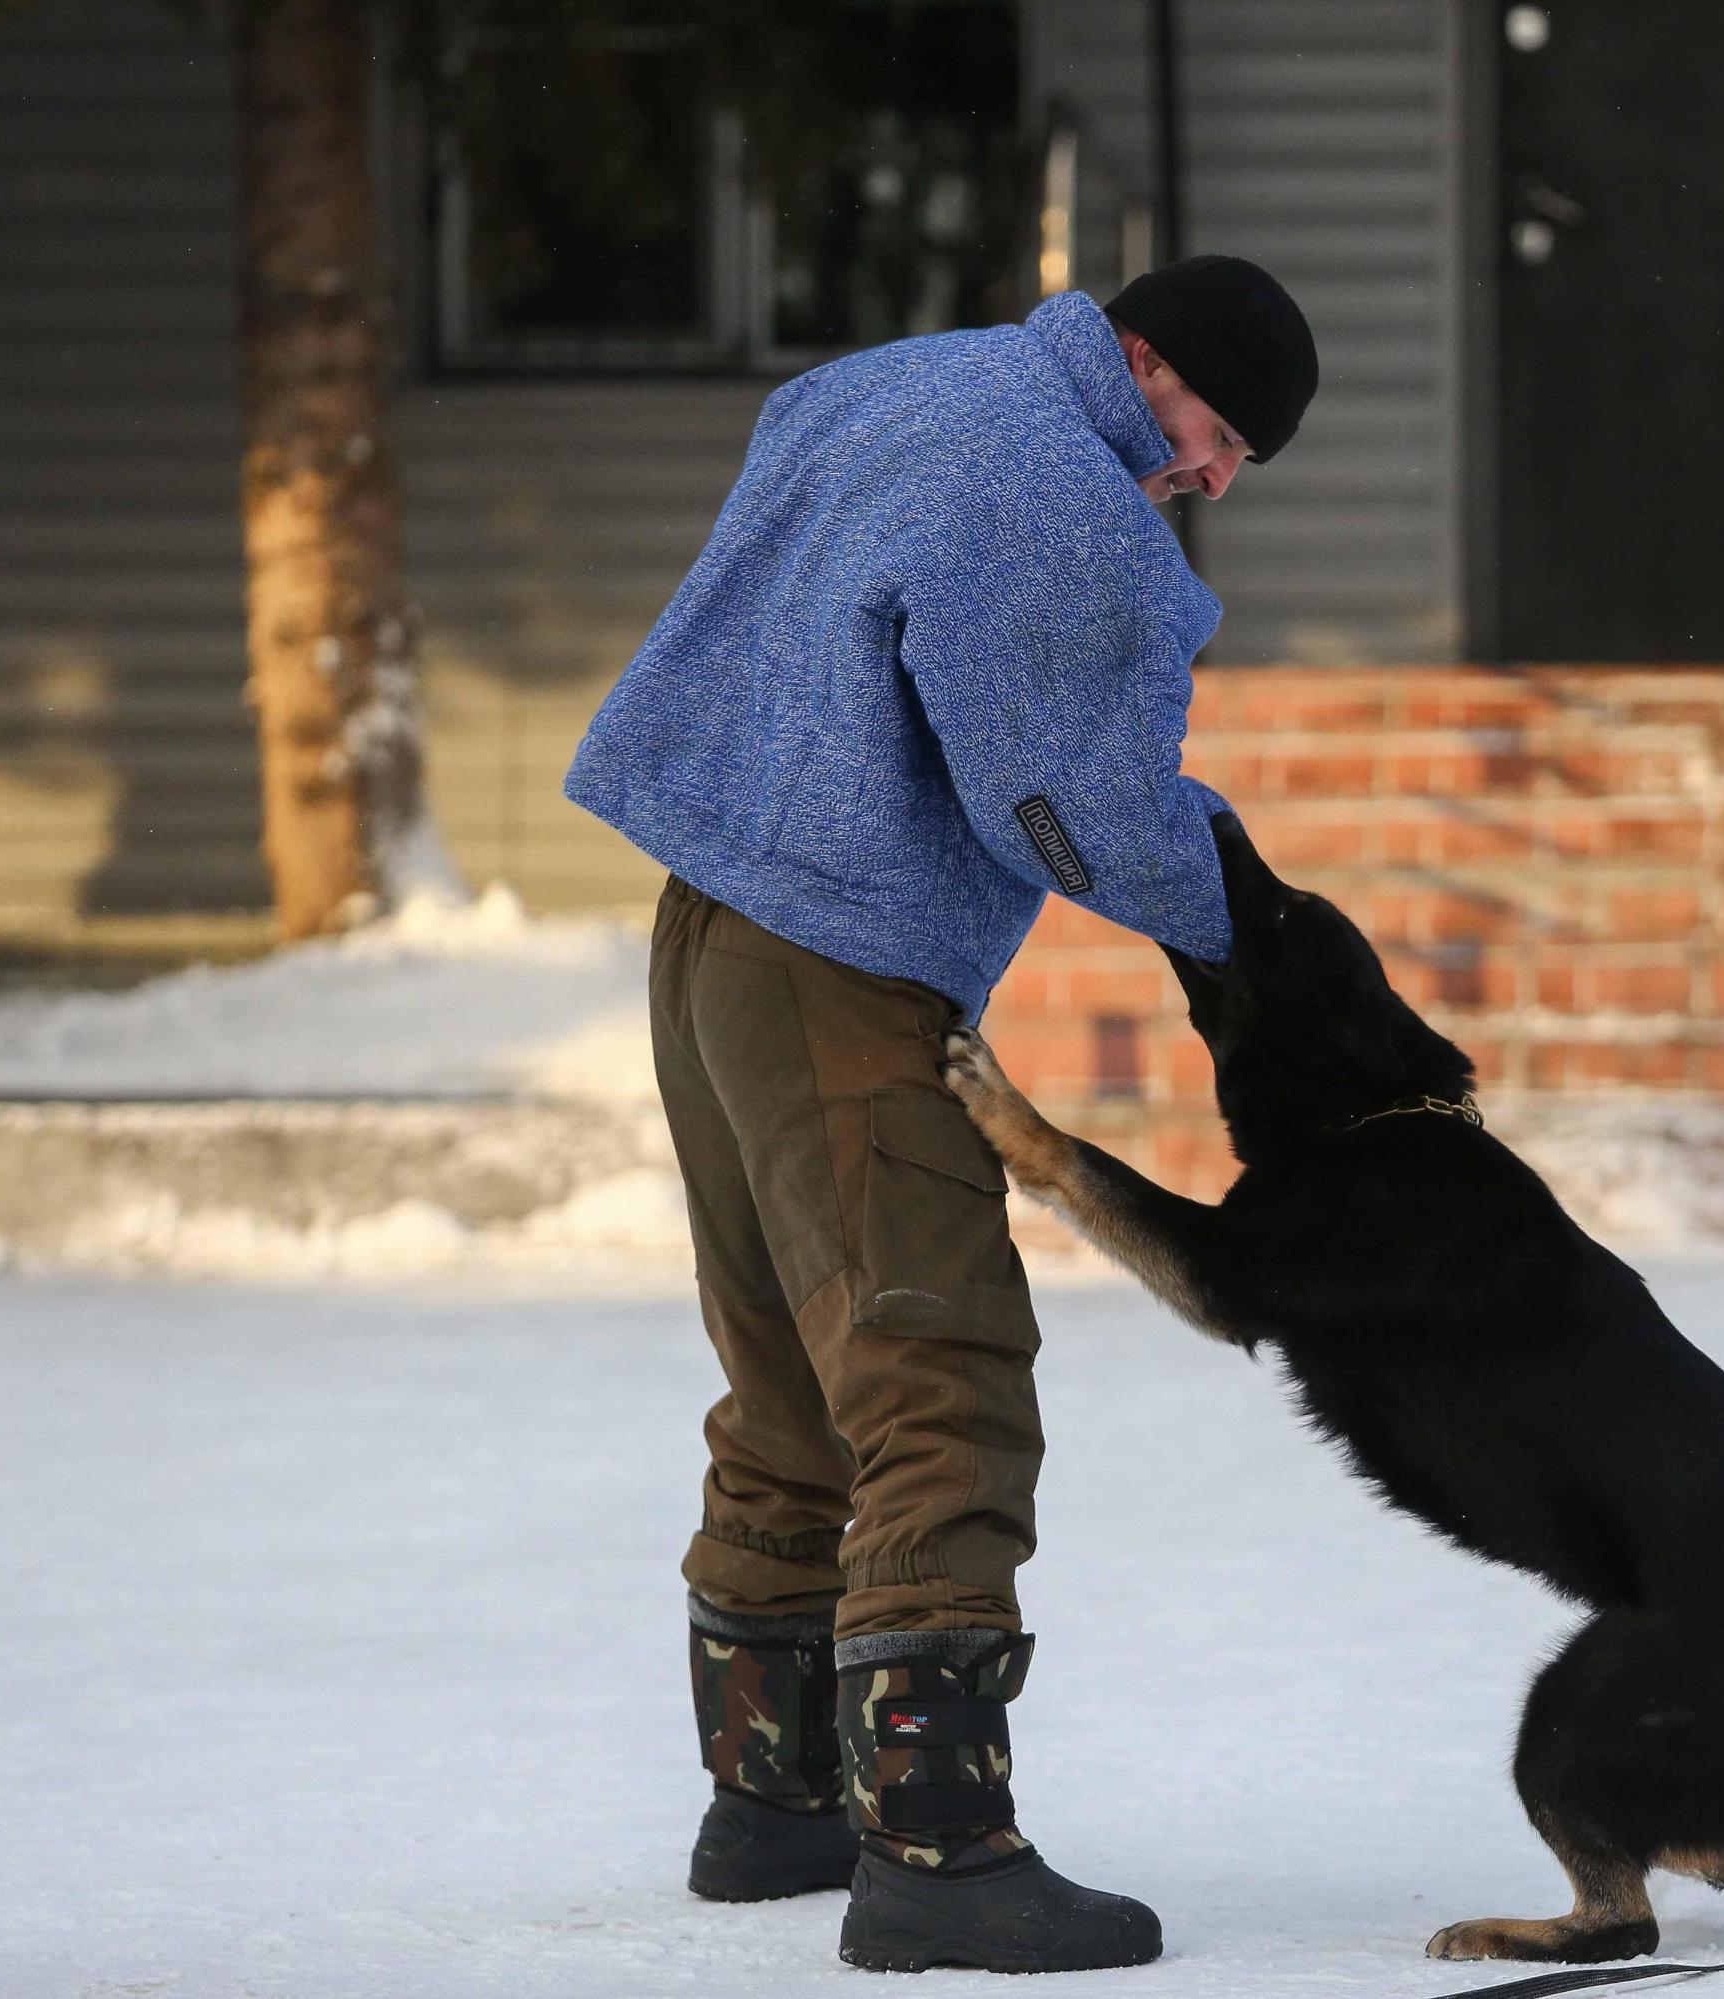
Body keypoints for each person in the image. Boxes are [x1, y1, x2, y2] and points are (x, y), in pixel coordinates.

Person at [563, 254, 1317, 1974]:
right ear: (1144, 361)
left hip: (709, 931)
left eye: (1232, 471)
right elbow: (1061, 795)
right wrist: (1245, 926)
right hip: (835, 961)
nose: (1204, 481)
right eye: (1211, 438)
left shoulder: (893, 382)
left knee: (791, 1370)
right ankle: (939, 1847)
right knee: (935, 1364)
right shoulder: (1052, 488)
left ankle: (771, 1801)